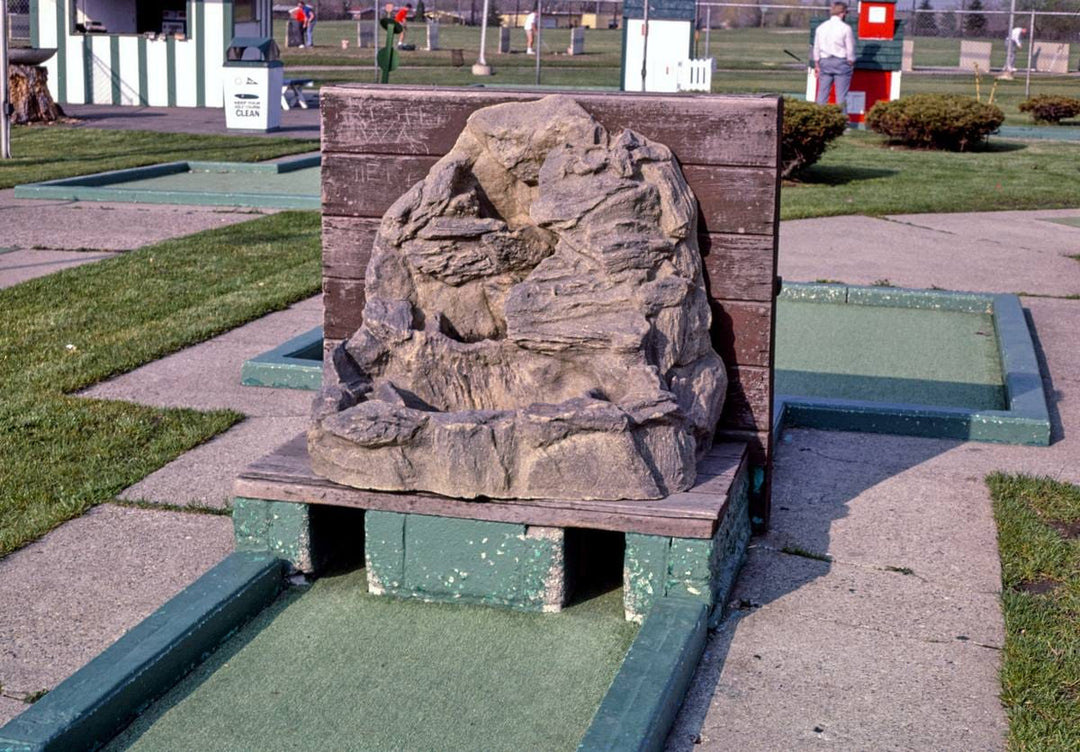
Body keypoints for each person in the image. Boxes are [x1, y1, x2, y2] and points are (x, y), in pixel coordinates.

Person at [812, 2, 856, 115]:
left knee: (822, 94)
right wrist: (851, 62)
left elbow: (816, 48)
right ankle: (842, 122)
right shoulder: (846, 28)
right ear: (842, 13)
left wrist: (817, 65)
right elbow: (850, 49)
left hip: (824, 61)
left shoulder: (821, 27)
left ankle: (818, 119)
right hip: (841, 62)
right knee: (841, 95)